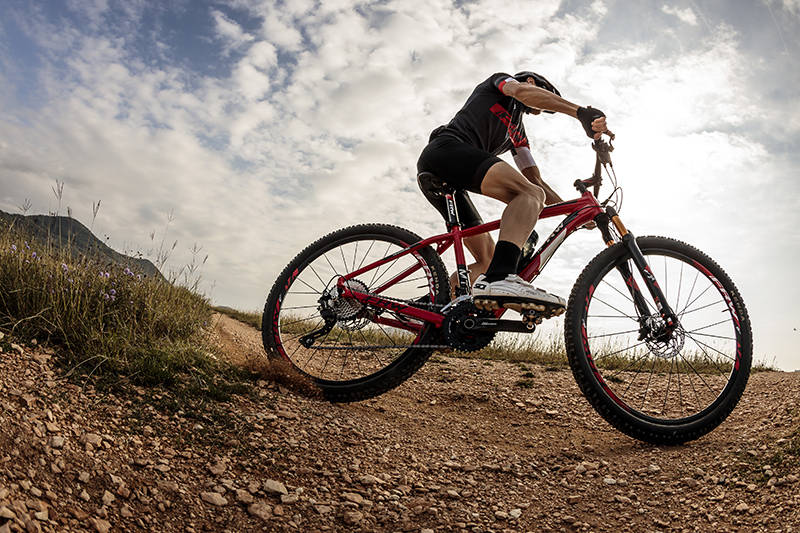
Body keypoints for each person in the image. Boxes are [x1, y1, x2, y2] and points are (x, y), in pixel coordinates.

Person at [416, 71, 609, 310]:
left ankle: (435, 309)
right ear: (532, 82)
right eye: (544, 97)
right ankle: (500, 277)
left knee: (487, 260)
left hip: (453, 181)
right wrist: (579, 112)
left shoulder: (518, 134)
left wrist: (571, 210)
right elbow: (521, 92)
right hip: (446, 150)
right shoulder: (502, 82)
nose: (542, 109)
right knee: (528, 195)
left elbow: (536, 181)